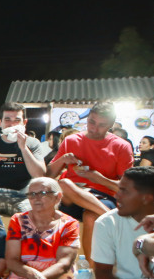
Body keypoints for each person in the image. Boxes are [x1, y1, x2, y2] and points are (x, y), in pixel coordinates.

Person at [47, 102, 134, 263]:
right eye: (91, 122)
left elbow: (128, 188)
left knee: (91, 216)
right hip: (71, 196)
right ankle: (114, 218)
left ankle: (93, 272)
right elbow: (49, 174)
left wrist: (99, 179)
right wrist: (63, 160)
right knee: (65, 184)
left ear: (111, 125)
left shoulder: (121, 146)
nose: (94, 128)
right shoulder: (71, 140)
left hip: (104, 197)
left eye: (102, 125)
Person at [0, 102, 49, 216]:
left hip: (23, 195)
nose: (12, 125)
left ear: (24, 123)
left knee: (33, 216)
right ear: (0, 122)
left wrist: (23, 148)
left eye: (17, 120)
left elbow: (39, 174)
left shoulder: (32, 143)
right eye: (7, 120)